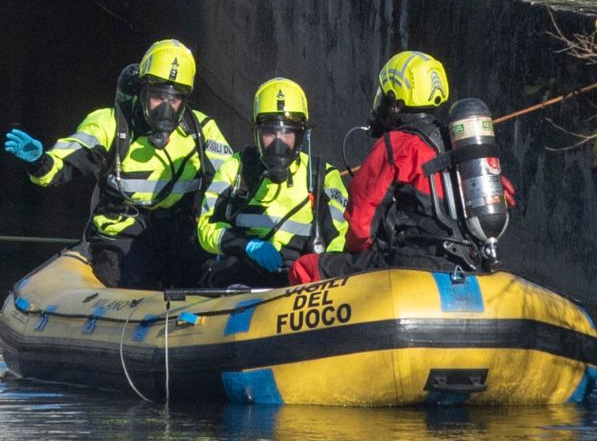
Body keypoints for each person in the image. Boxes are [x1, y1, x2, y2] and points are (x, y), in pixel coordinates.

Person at [4, 39, 232, 288]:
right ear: (142, 91)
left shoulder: (201, 131)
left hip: (179, 234)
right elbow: (65, 163)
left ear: (185, 99)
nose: (165, 107)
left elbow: (232, 179)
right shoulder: (109, 125)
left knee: (215, 275)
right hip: (121, 235)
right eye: (157, 96)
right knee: (131, 280)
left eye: (174, 99)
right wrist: (40, 161)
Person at [289, 50, 516, 284]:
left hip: (410, 263)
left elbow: (360, 229)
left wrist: (351, 254)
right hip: (467, 261)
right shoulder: (455, 143)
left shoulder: (395, 145)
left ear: (395, 104)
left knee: (305, 268)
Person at [197, 78, 348, 288]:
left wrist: (313, 268)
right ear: (257, 134)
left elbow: (339, 240)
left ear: (301, 135)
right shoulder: (237, 169)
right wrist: (247, 245)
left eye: (287, 133)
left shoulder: (323, 177)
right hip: (243, 277)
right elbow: (206, 227)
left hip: (300, 284)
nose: (278, 142)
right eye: (270, 132)